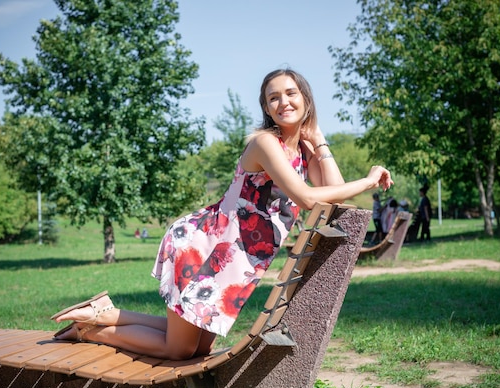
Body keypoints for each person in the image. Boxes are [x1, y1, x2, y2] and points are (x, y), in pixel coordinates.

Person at [51, 68, 394, 360]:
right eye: (273, 97)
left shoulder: (303, 151)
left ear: (306, 99)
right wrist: (366, 181)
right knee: (180, 350)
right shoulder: (265, 143)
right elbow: (307, 198)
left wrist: (318, 138)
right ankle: (88, 332)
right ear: (266, 107)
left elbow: (332, 198)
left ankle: (104, 313)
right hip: (205, 246)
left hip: (235, 258)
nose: (283, 102)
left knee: (195, 347)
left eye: (291, 93)